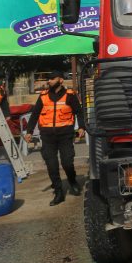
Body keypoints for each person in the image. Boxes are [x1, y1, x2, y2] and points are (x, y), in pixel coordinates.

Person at [25, 71, 85, 206]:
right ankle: (58, 192)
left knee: (67, 163)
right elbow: (34, 114)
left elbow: (79, 112)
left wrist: (81, 127)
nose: (49, 81)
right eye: (48, 79)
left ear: (61, 80)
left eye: (52, 79)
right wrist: (29, 131)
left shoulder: (70, 95)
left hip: (65, 135)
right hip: (47, 137)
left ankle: (72, 180)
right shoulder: (43, 96)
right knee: (52, 165)